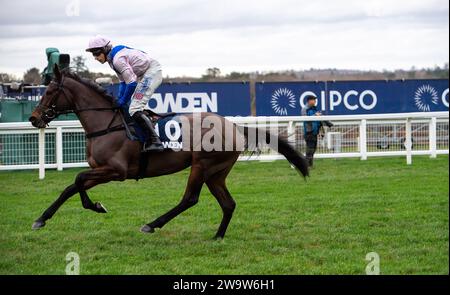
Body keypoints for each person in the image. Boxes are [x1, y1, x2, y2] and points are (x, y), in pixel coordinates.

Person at [85, 35, 164, 152]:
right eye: (93, 54)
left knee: (134, 108)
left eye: (96, 53)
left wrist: (122, 101)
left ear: (105, 50)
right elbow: (123, 82)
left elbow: (131, 84)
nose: (95, 57)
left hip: (151, 73)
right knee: (132, 106)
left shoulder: (117, 60)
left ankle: (155, 142)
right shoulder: (112, 61)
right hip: (144, 74)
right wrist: (119, 99)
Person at [301, 95, 333, 167]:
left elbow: (318, 119)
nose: (315, 101)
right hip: (309, 132)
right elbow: (305, 119)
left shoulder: (314, 109)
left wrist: (327, 124)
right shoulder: (304, 109)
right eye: (314, 100)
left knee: (313, 149)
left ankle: (310, 165)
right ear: (309, 101)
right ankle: (306, 165)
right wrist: (315, 115)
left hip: (315, 132)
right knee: (310, 149)